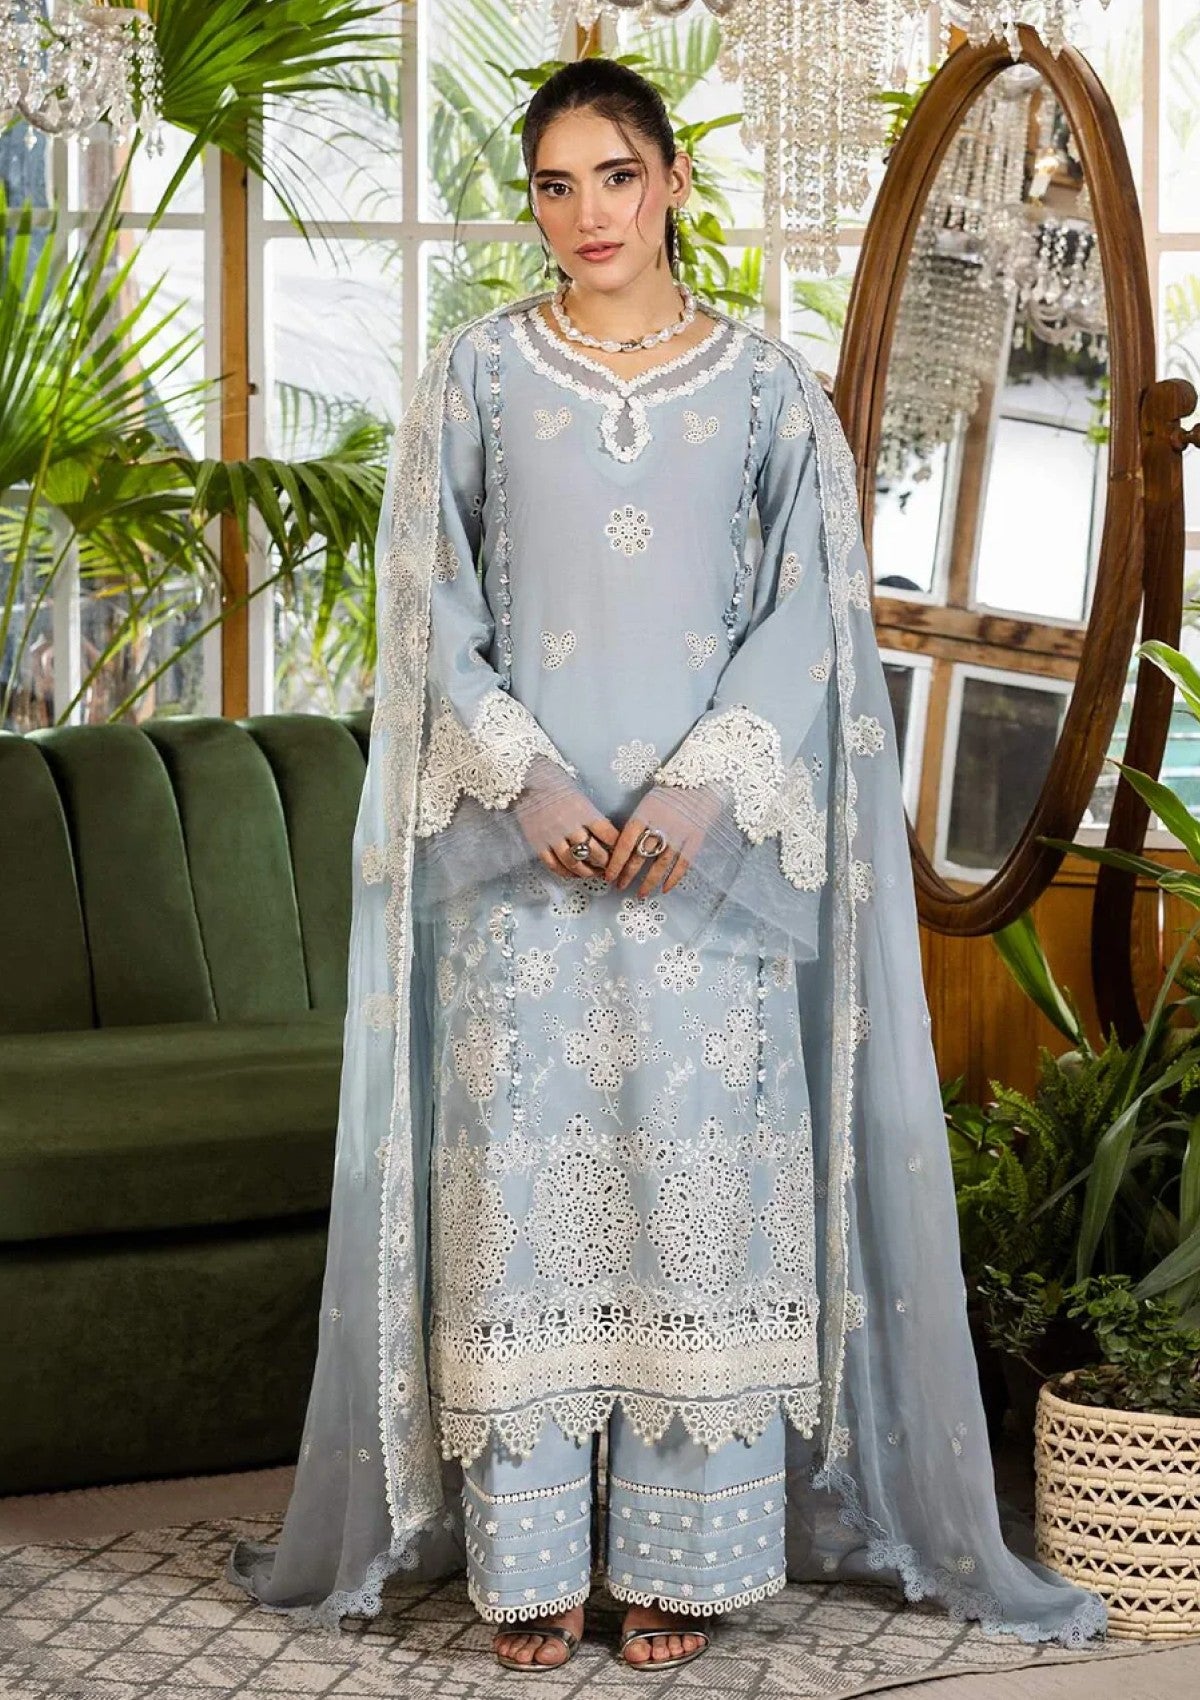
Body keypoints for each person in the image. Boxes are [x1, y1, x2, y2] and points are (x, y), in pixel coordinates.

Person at [226, 56, 1108, 1672]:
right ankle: (531, 1566)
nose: (586, 216)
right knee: (529, 1202)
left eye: (615, 177)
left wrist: (704, 794)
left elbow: (811, 616)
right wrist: (526, 778)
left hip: (708, 883)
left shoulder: (766, 392)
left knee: (697, 1201)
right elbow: (426, 608)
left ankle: (684, 1564)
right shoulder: (477, 377)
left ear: (675, 180)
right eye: (554, 187)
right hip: (525, 874)